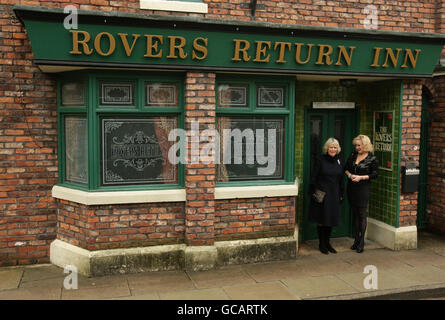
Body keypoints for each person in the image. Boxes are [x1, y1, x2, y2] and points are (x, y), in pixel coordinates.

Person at [309, 138, 345, 255]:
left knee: (331, 219)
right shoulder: (320, 159)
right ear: (327, 148)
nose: (333, 149)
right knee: (321, 219)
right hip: (322, 193)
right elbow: (314, 176)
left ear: (338, 148)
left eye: (335, 147)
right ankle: (321, 244)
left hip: (334, 193)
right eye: (331, 147)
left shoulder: (339, 160)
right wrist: (314, 191)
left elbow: (341, 179)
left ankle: (328, 243)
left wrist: (341, 193)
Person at [345, 134, 378, 253]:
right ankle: (356, 239)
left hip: (363, 188)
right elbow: (346, 168)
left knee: (362, 214)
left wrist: (361, 177)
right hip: (352, 188)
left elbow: (375, 174)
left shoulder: (372, 158)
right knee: (355, 214)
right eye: (356, 145)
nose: (357, 147)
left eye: (359, 145)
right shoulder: (353, 155)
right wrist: (350, 175)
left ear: (365, 145)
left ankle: (362, 241)